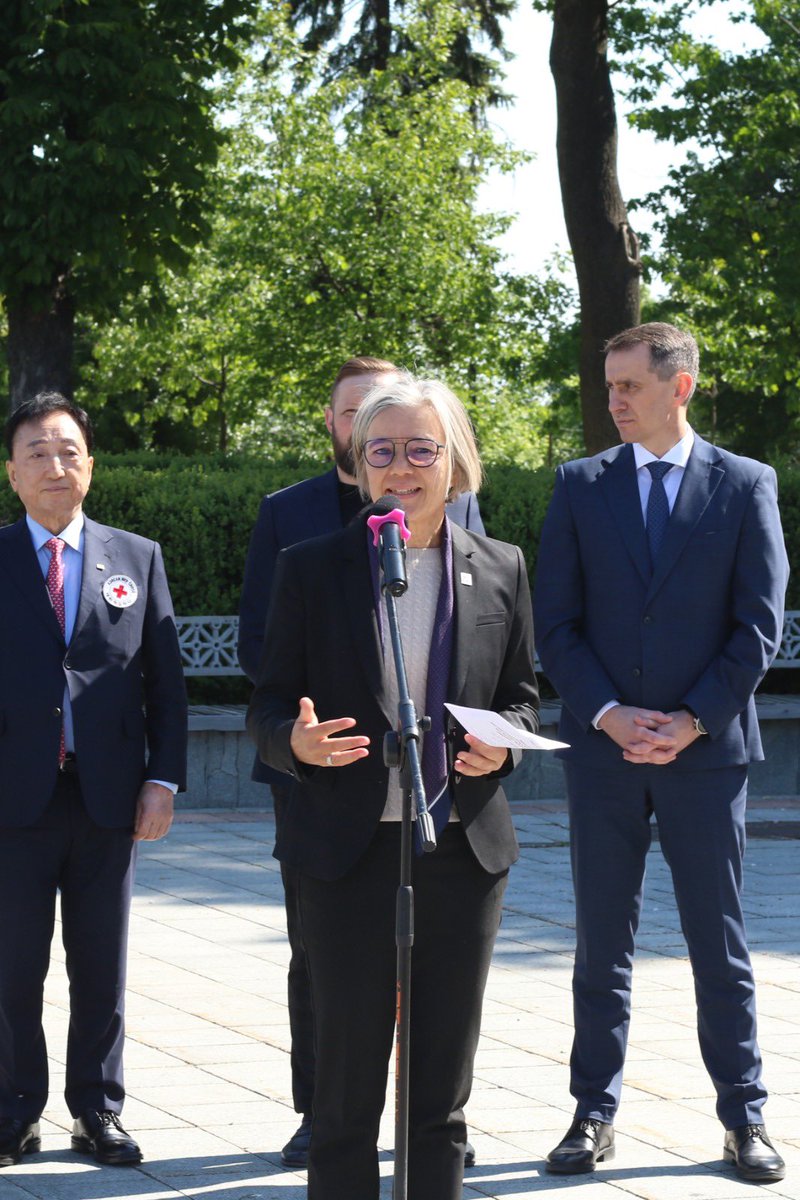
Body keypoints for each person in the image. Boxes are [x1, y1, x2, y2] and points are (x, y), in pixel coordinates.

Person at [246, 373, 538, 1199]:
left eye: (421, 450)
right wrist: (294, 743)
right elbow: (266, 704)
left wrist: (502, 752)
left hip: (460, 849)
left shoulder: (503, 566)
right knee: (343, 1100)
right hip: (343, 851)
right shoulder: (311, 567)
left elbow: (518, 696)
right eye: (382, 452)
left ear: (455, 463)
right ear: (359, 464)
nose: (401, 468)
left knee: (440, 1099)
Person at [533, 323, 789, 1184]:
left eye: (630, 387)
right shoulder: (578, 486)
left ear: (680, 388)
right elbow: (556, 625)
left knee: (719, 946)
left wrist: (690, 720)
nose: (613, 402)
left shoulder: (746, 484)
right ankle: (592, 1114)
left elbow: (758, 627)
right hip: (603, 757)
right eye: (608, 387)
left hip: (706, 757)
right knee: (600, 944)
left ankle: (744, 1120)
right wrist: (605, 714)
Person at [0, 393, 187, 1168]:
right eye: (37, 452)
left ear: (92, 466)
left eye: (68, 450)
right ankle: (14, 1112)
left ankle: (98, 1111)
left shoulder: (135, 557)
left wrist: (164, 780)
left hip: (111, 797)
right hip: (14, 799)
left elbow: (165, 683)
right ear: (12, 473)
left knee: (101, 966)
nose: (54, 465)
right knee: (12, 965)